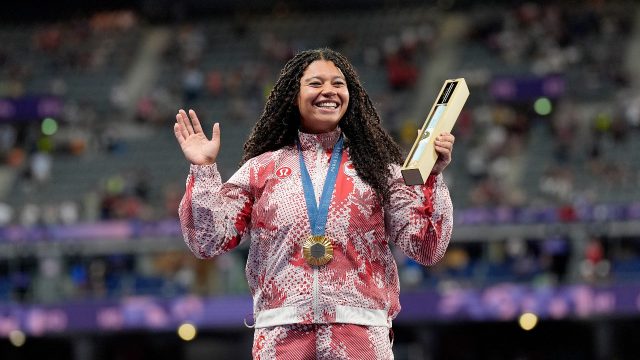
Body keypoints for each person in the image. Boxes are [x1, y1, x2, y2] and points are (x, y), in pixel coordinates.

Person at [174, 48, 454, 360]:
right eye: (316, 83)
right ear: (293, 95)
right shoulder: (261, 169)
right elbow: (208, 242)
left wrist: (432, 178)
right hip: (280, 333)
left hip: (361, 333)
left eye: (338, 83)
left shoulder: (379, 168)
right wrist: (203, 169)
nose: (329, 91)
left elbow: (425, 247)